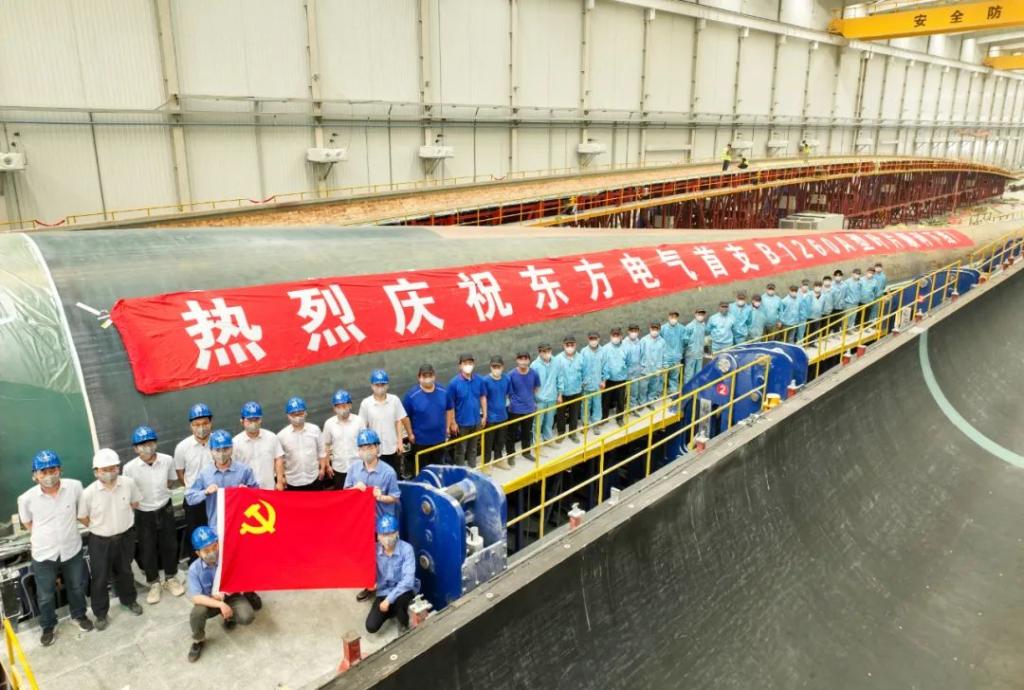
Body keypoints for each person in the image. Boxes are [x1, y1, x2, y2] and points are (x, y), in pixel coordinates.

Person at [18, 450, 94, 646]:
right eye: (43, 472)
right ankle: (48, 626)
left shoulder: (75, 487)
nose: (49, 475)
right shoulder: (26, 499)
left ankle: (79, 615)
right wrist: (47, 537)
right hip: (44, 553)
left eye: (53, 470)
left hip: (72, 548)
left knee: (76, 586)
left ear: (60, 469)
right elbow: (27, 523)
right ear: (35, 475)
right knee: (45, 594)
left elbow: (82, 511)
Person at [78, 448, 144, 630]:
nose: (109, 472)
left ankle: (129, 601)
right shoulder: (89, 493)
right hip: (100, 541)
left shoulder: (128, 483)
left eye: (112, 468)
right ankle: (100, 614)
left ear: (118, 468)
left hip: (125, 536)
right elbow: (83, 517)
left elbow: (135, 503)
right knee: (99, 578)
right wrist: (100, 527)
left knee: (125, 571)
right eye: (104, 470)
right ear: (96, 472)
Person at [123, 426, 185, 605]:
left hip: (165, 508)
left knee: (170, 545)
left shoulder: (167, 460)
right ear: (136, 449)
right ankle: (154, 583)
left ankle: (171, 578)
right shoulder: (129, 468)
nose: (147, 447)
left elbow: (171, 480)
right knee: (147, 549)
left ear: (156, 443)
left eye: (150, 443)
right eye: (142, 445)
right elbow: (128, 490)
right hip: (143, 513)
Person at [345, 429, 401, 603]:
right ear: (358, 450)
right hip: (362, 523)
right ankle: (369, 585)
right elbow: (346, 493)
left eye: (370, 447)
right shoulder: (354, 469)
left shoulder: (388, 472)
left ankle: (388, 588)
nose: (367, 451)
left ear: (377, 448)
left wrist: (380, 497)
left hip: (382, 523)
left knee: (385, 556)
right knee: (366, 555)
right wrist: (355, 489)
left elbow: (395, 498)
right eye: (363, 448)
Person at [186, 526, 255, 663]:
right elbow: (196, 597)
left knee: (247, 616)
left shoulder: (227, 558)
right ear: (198, 553)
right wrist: (220, 604)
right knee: (197, 613)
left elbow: (238, 579)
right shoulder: (194, 569)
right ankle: (198, 640)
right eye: (206, 551)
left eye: (214, 547)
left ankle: (229, 617)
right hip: (209, 601)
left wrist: (223, 595)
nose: (212, 552)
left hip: (230, 596)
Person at [186, 429, 260, 527]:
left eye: (225, 449)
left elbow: (258, 495)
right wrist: (205, 492)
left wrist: (248, 491)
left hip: (242, 524)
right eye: (217, 450)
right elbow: (190, 498)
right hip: (216, 525)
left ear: (232, 448)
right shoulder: (205, 473)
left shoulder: (244, 470)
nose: (221, 453)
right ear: (211, 450)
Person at [365, 514, 418, 635]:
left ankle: (403, 621)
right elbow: (365, 567)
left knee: (400, 601)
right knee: (371, 626)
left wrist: (388, 600)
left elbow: (408, 581)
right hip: (384, 590)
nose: (387, 538)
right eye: (383, 534)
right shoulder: (374, 550)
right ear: (378, 535)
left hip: (403, 590)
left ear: (397, 533)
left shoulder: (406, 549)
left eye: (390, 534)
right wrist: (370, 582)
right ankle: (394, 610)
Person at [175, 403, 214, 562]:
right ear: (190, 426)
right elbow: (180, 473)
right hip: (194, 499)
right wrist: (193, 489)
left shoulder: (219, 441)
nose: (201, 428)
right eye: (196, 424)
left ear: (211, 423)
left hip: (216, 496)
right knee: (195, 534)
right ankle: (197, 565)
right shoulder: (182, 447)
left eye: (205, 423)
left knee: (218, 530)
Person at [359, 369, 412, 473]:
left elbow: (398, 421)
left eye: (382, 384)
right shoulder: (366, 404)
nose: (380, 387)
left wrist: (400, 442)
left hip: (392, 447)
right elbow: (363, 427)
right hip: (374, 451)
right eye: (377, 385)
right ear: (372, 386)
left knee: (394, 474)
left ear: (387, 385)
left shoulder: (394, 400)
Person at [401, 365, 451, 474]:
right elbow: (404, 416)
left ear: (434, 376)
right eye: (424, 376)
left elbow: (449, 408)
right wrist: (410, 434)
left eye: (430, 375)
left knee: (438, 469)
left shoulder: (443, 391)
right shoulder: (411, 396)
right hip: (420, 441)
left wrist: (448, 427)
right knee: (422, 470)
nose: (428, 378)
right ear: (419, 377)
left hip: (439, 439)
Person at [232, 401, 285, 491]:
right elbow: (233, 467)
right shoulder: (235, 442)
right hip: (247, 491)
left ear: (261, 419)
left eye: (256, 419)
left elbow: (278, 459)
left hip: (269, 488)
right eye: (249, 420)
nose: (253, 423)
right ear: (242, 421)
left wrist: (279, 482)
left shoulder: (272, 437)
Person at [446, 354, 487, 467]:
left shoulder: (479, 380)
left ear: (473, 364)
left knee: (473, 448)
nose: (468, 366)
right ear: (460, 366)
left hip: (476, 421)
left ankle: (472, 468)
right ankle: (460, 471)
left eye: (470, 363)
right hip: (461, 424)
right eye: (465, 363)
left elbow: (483, 397)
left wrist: (484, 415)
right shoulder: (454, 384)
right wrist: (453, 422)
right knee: (460, 450)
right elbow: (450, 405)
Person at [278, 396, 326, 491]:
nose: (297, 417)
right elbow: (279, 459)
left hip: (313, 478)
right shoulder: (281, 436)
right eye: (294, 415)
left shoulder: (315, 430)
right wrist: (282, 477)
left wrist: (322, 468)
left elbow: (322, 451)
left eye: (300, 413)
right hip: (292, 482)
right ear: (288, 416)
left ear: (305, 413)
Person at [322, 390, 366, 487]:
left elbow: (365, 444)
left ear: (350, 405)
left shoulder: (359, 421)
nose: (342, 409)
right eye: (339, 407)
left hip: (358, 466)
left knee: (360, 492)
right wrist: (327, 465)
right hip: (339, 469)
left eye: (344, 406)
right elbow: (326, 445)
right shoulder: (329, 424)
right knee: (342, 494)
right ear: (334, 408)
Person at [507, 351, 541, 461]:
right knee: (511, 434)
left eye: (525, 359)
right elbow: (508, 392)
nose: (523, 361)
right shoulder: (511, 375)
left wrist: (529, 399)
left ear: (529, 360)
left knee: (527, 432)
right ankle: (510, 455)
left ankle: (526, 452)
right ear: (517, 360)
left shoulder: (534, 373)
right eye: (520, 359)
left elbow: (536, 388)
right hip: (515, 410)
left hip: (529, 409)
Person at [554, 336, 585, 443]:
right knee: (560, 414)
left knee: (574, 414)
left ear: (575, 345)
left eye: (572, 345)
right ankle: (561, 433)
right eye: (568, 345)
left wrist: (583, 386)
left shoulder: (580, 358)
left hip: (576, 391)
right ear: (563, 346)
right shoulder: (558, 359)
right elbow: (556, 376)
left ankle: (573, 433)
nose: (570, 347)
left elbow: (584, 373)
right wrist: (558, 393)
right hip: (562, 393)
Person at [482, 356, 512, 468]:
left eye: (498, 366)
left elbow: (508, 394)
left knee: (501, 440)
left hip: (503, 416)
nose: (496, 369)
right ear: (490, 367)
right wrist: (485, 415)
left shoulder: (506, 379)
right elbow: (483, 398)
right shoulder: (485, 381)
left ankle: (498, 460)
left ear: (502, 367)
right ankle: (486, 464)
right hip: (490, 418)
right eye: (494, 366)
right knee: (488, 442)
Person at [531, 343, 558, 445]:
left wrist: (559, 394)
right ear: (539, 352)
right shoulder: (534, 365)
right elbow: (532, 384)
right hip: (539, 399)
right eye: (544, 351)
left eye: (548, 351)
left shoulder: (555, 362)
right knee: (538, 422)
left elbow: (559, 378)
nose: (547, 353)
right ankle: (537, 442)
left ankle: (548, 439)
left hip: (552, 397)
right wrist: (533, 400)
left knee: (549, 421)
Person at [601, 327, 629, 425]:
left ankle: (619, 418)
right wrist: (603, 379)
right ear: (610, 336)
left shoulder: (626, 348)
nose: (616, 337)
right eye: (614, 335)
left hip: (621, 379)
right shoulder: (605, 349)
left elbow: (628, 362)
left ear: (621, 336)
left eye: (618, 335)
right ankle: (604, 417)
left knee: (621, 401)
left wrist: (624, 372)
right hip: (608, 379)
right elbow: (602, 364)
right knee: (606, 400)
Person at [580, 332, 607, 426]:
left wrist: (604, 381)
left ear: (598, 339)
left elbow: (605, 367)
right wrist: (582, 382)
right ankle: (585, 423)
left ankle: (596, 423)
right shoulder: (584, 352)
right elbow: (580, 368)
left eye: (595, 339)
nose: (593, 341)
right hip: (586, 385)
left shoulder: (603, 351)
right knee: (585, 405)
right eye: (591, 339)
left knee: (597, 405)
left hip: (597, 384)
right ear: (588, 339)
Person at [637, 322, 666, 407]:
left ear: (659, 330)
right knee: (642, 388)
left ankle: (650, 402)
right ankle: (642, 403)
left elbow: (664, 355)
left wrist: (663, 366)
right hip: (645, 369)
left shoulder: (662, 341)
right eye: (653, 329)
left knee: (653, 387)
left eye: (656, 329)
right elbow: (639, 354)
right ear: (650, 329)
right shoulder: (644, 340)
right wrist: (641, 367)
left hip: (657, 369)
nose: (654, 331)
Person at [660, 313, 686, 397]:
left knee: (674, 377)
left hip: (676, 357)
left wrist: (680, 353)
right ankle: (660, 392)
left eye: (675, 317)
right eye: (672, 317)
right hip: (665, 358)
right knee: (662, 377)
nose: (673, 319)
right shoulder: (663, 328)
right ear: (668, 317)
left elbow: (685, 342)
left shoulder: (682, 329)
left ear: (678, 318)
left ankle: (673, 391)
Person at [683, 309, 707, 383]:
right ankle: (687, 389)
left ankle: (696, 388)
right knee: (689, 374)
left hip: (699, 354)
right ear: (695, 314)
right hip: (691, 355)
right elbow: (684, 341)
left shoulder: (703, 325)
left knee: (698, 374)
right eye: (699, 314)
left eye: (702, 314)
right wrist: (688, 350)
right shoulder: (689, 326)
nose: (701, 316)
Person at [624, 324, 644, 411]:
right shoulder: (624, 343)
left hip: (636, 371)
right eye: (632, 331)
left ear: (638, 332)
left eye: (635, 331)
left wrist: (641, 368)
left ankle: (632, 407)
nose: (634, 333)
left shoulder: (638, 342)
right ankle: (622, 408)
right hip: (626, 372)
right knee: (624, 392)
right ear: (628, 331)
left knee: (634, 391)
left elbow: (641, 355)